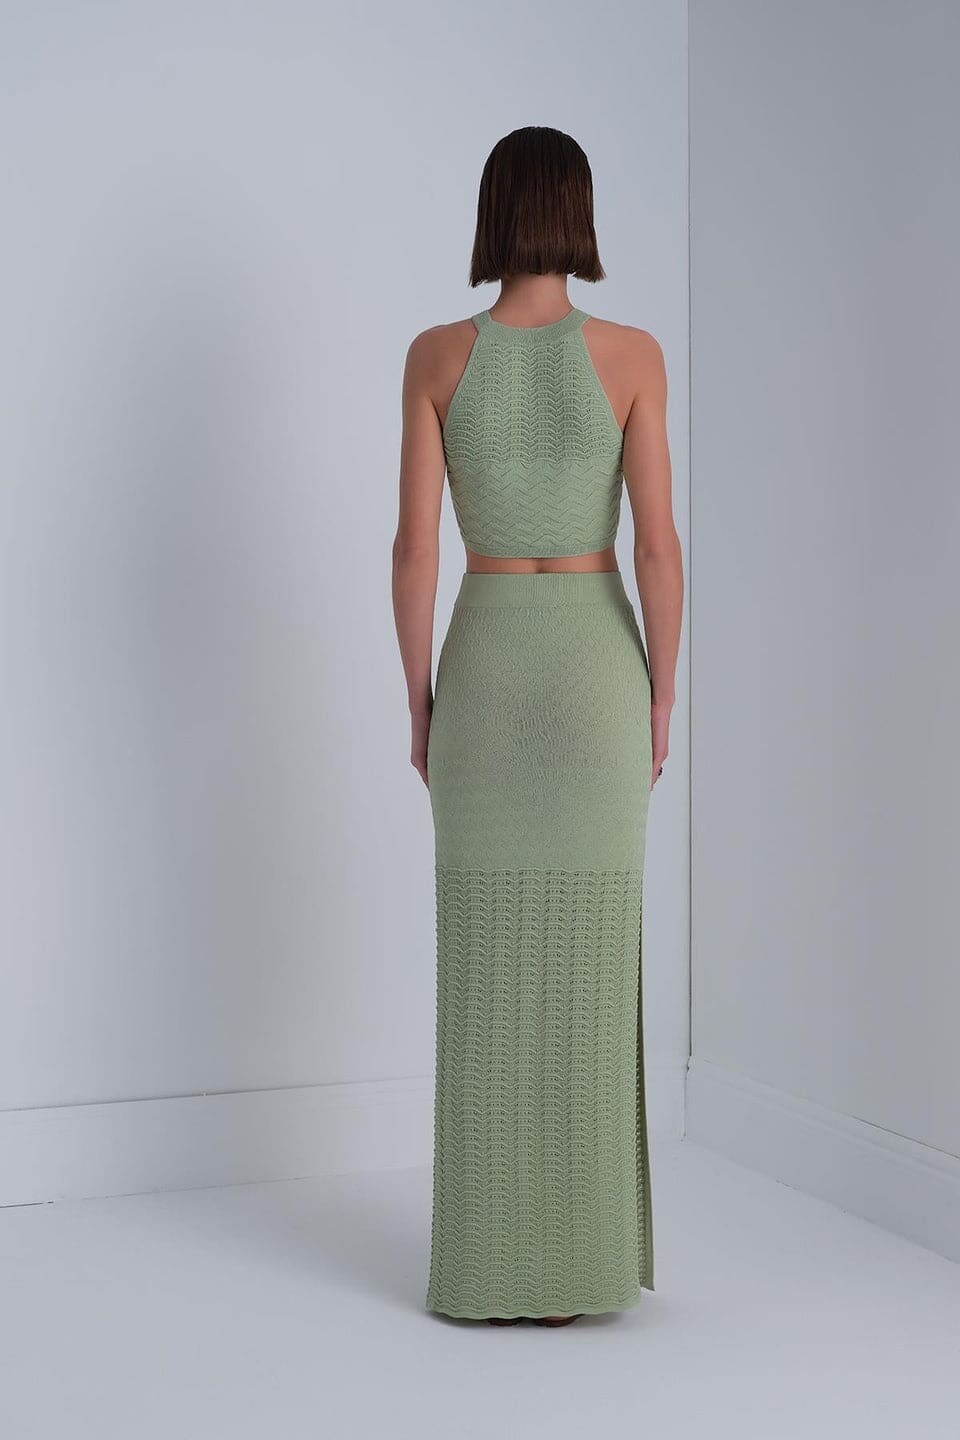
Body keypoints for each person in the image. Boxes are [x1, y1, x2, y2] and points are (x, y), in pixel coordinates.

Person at [392, 126, 683, 1327]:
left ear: (493, 212)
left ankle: (489, 1265)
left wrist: (421, 702)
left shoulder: (435, 356)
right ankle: (580, 1267)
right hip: (597, 667)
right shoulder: (633, 355)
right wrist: (661, 691)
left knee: (484, 970)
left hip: (488, 660)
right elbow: (658, 549)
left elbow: (415, 552)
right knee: (590, 970)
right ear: (578, 213)